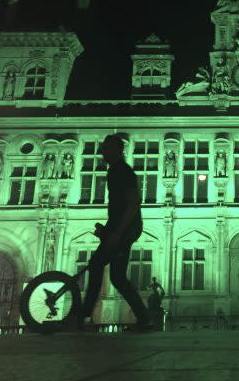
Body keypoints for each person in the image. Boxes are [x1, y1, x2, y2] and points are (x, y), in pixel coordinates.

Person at [77, 134, 152, 331]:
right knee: (116, 276)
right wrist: (108, 229)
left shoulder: (122, 171)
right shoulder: (116, 171)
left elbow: (133, 202)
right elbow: (118, 207)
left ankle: (82, 315)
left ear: (116, 150)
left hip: (125, 230)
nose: (102, 151)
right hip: (122, 228)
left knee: (96, 265)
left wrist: (117, 232)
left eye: (105, 148)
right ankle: (144, 318)